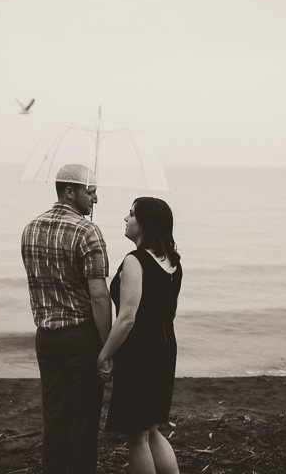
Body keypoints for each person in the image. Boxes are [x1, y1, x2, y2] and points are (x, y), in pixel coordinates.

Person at [20, 163, 113, 474]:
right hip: (81, 338)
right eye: (91, 192)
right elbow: (99, 296)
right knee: (83, 420)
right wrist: (107, 348)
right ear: (70, 192)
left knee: (55, 417)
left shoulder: (30, 227)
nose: (95, 199)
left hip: (45, 339)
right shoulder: (87, 231)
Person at [97, 197, 183, 474]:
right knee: (152, 430)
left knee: (137, 435)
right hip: (165, 348)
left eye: (131, 214)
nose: (126, 218)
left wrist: (104, 354)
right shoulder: (173, 262)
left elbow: (127, 318)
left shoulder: (135, 260)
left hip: (139, 354)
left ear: (144, 222)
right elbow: (167, 312)